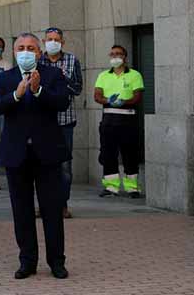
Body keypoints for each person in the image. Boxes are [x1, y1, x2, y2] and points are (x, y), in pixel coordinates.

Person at [0, 33, 71, 279]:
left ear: (39, 51)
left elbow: (62, 102)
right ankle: (27, 261)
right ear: (14, 51)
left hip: (47, 153)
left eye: (31, 48)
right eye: (21, 48)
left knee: (52, 210)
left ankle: (57, 261)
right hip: (17, 153)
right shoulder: (5, 78)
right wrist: (15, 94)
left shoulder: (53, 75)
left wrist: (38, 90)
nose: (26, 51)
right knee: (21, 210)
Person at [39, 27, 82, 218]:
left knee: (64, 167)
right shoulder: (38, 60)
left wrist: (61, 80)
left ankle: (62, 204)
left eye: (56, 39)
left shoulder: (72, 60)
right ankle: (43, 205)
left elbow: (78, 88)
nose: (53, 42)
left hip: (65, 121)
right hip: (41, 120)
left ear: (62, 42)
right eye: (49, 39)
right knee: (41, 165)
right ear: (43, 41)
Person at [93, 46, 145, 197]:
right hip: (109, 120)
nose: (115, 57)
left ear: (125, 57)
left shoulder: (135, 75)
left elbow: (137, 97)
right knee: (108, 154)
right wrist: (108, 100)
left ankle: (132, 188)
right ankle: (111, 187)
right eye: (113, 54)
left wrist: (124, 102)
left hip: (128, 120)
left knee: (130, 154)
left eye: (119, 54)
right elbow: (97, 96)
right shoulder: (103, 75)